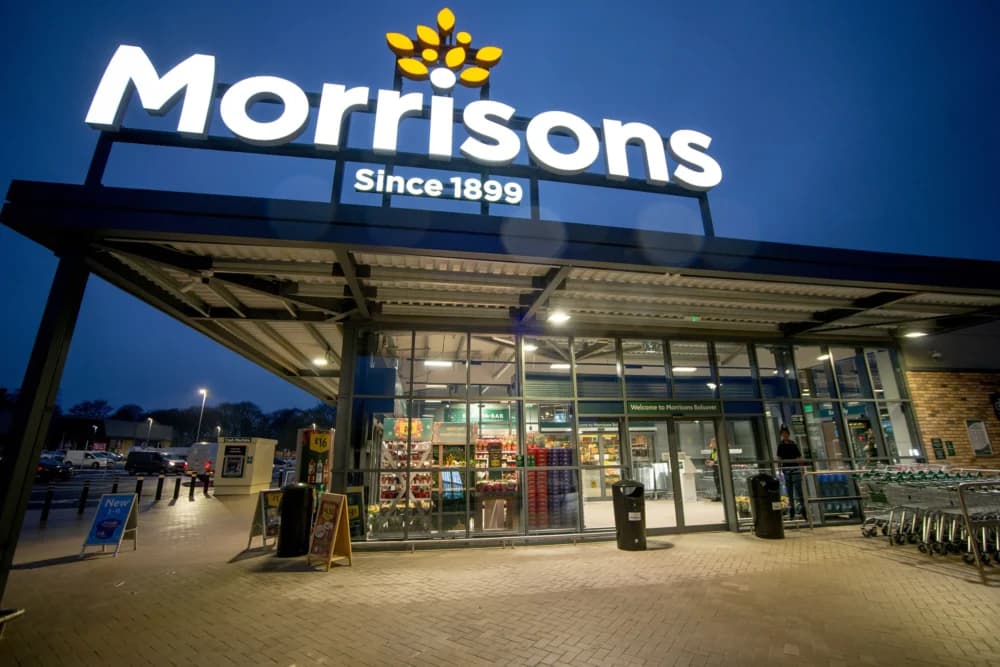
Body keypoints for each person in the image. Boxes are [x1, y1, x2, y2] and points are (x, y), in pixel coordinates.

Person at [776, 427, 805, 519]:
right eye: (783, 434)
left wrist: (802, 467)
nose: (785, 435)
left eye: (786, 433)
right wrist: (779, 469)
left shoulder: (793, 444)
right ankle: (792, 509)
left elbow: (798, 456)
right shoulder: (780, 445)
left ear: (788, 434)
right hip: (787, 469)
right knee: (789, 490)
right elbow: (779, 458)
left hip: (795, 468)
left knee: (798, 490)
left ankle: (802, 508)